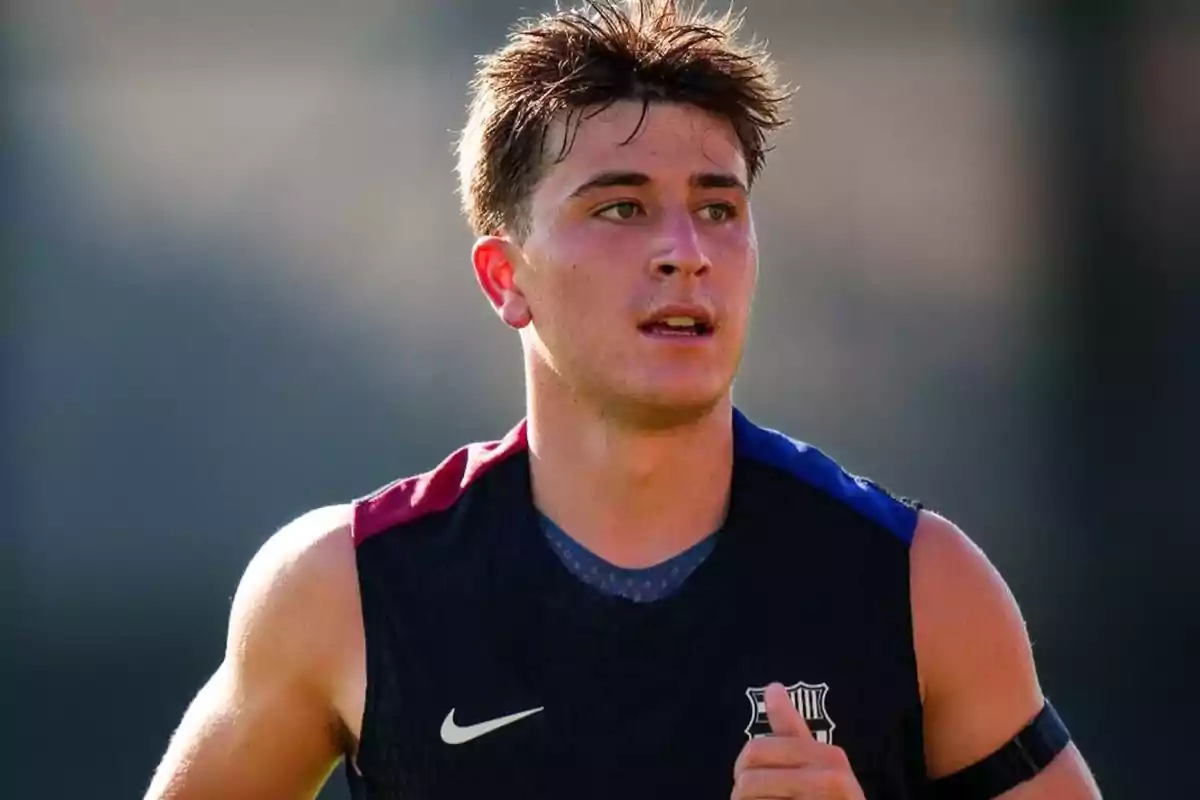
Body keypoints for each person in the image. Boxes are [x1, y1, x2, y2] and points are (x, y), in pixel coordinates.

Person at [145, 1, 1103, 798]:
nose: (685, 249)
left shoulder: (920, 586)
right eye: (620, 206)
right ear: (501, 278)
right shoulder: (345, 589)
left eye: (718, 208)